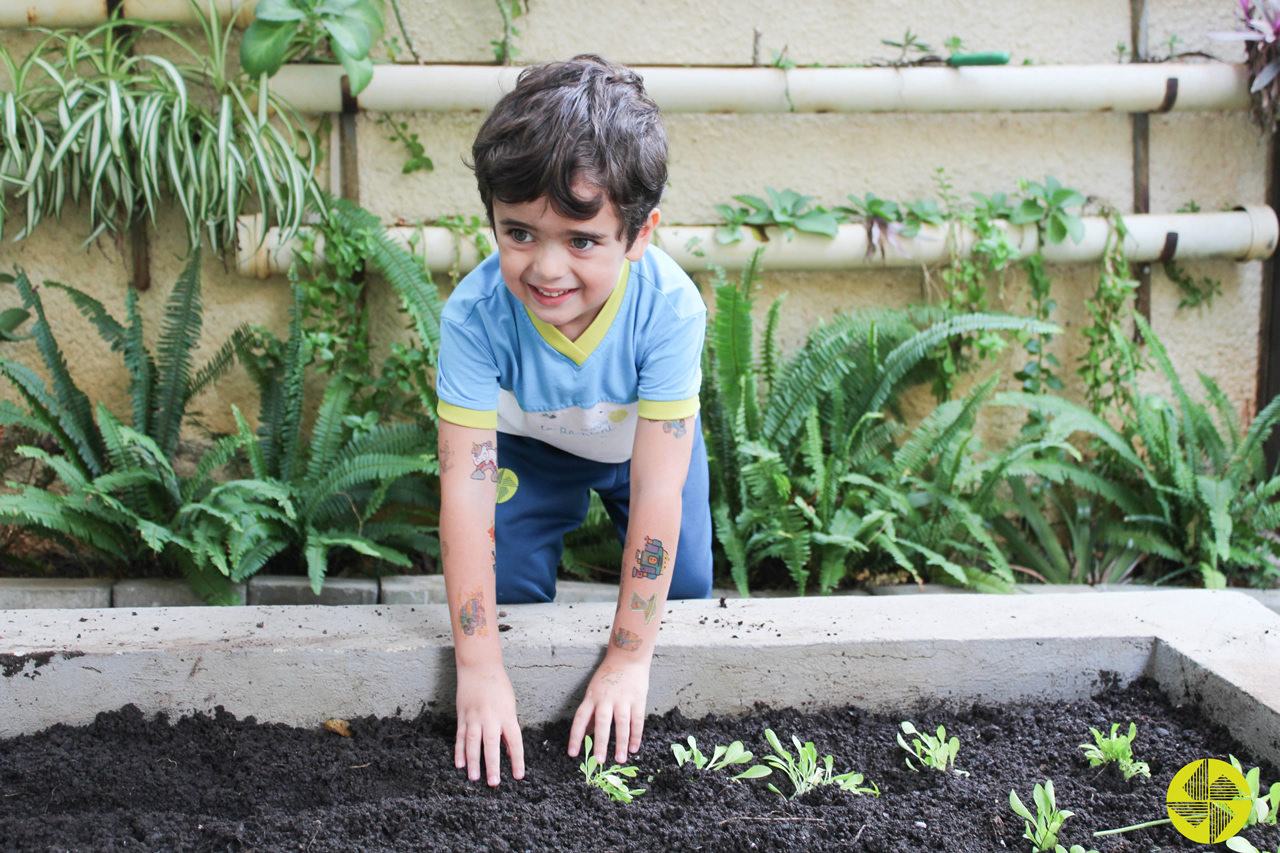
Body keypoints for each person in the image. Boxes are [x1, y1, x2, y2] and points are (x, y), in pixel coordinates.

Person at [434, 55, 713, 788]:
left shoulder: (671, 309)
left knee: (680, 590)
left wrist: (627, 657)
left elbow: (659, 490)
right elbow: (465, 493)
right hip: (531, 444)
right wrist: (480, 666)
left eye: (582, 240)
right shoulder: (473, 316)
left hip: (644, 450)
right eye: (518, 233)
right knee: (512, 591)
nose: (546, 268)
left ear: (640, 232)